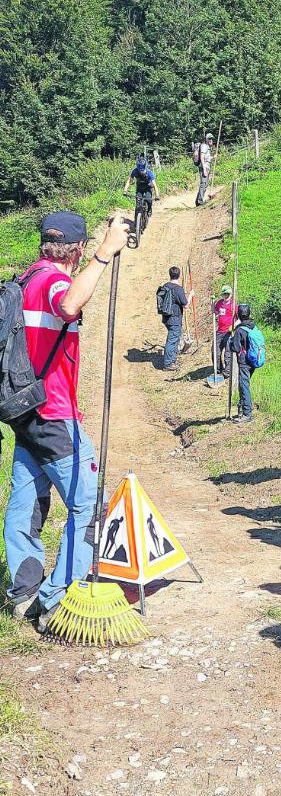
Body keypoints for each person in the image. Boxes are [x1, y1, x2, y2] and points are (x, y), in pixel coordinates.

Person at [3, 210, 129, 631]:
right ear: (75, 251)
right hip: (53, 413)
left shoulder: (23, 280)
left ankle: (23, 591)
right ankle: (59, 599)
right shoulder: (55, 281)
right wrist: (106, 254)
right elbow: (71, 303)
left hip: (24, 410)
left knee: (27, 498)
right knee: (88, 506)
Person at [158, 266, 194, 371]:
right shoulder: (178, 289)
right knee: (172, 340)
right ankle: (168, 363)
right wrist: (191, 295)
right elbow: (186, 305)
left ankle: (172, 360)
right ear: (178, 275)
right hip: (175, 318)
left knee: (175, 338)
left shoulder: (165, 286)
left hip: (166, 317)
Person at [231, 303, 256, 423]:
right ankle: (241, 410)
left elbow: (235, 348)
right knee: (244, 384)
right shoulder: (253, 327)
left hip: (244, 362)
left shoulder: (240, 330)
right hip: (253, 361)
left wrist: (231, 340)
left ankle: (247, 413)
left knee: (244, 386)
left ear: (238, 315)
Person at [213, 285, 233, 379]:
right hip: (219, 331)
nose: (225, 296)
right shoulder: (219, 303)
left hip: (229, 332)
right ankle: (217, 370)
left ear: (230, 294)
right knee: (215, 351)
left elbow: (239, 319)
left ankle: (227, 372)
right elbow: (215, 312)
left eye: (227, 294)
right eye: (224, 294)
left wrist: (233, 326)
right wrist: (212, 306)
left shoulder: (233, 305)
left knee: (228, 353)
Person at [196, 133, 214, 206]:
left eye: (211, 139)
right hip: (204, 167)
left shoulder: (207, 147)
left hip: (206, 167)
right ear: (206, 139)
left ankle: (198, 201)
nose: (211, 140)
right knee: (203, 184)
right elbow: (202, 157)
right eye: (209, 139)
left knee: (205, 184)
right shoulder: (204, 146)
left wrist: (213, 157)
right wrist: (204, 169)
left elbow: (207, 158)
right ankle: (199, 202)